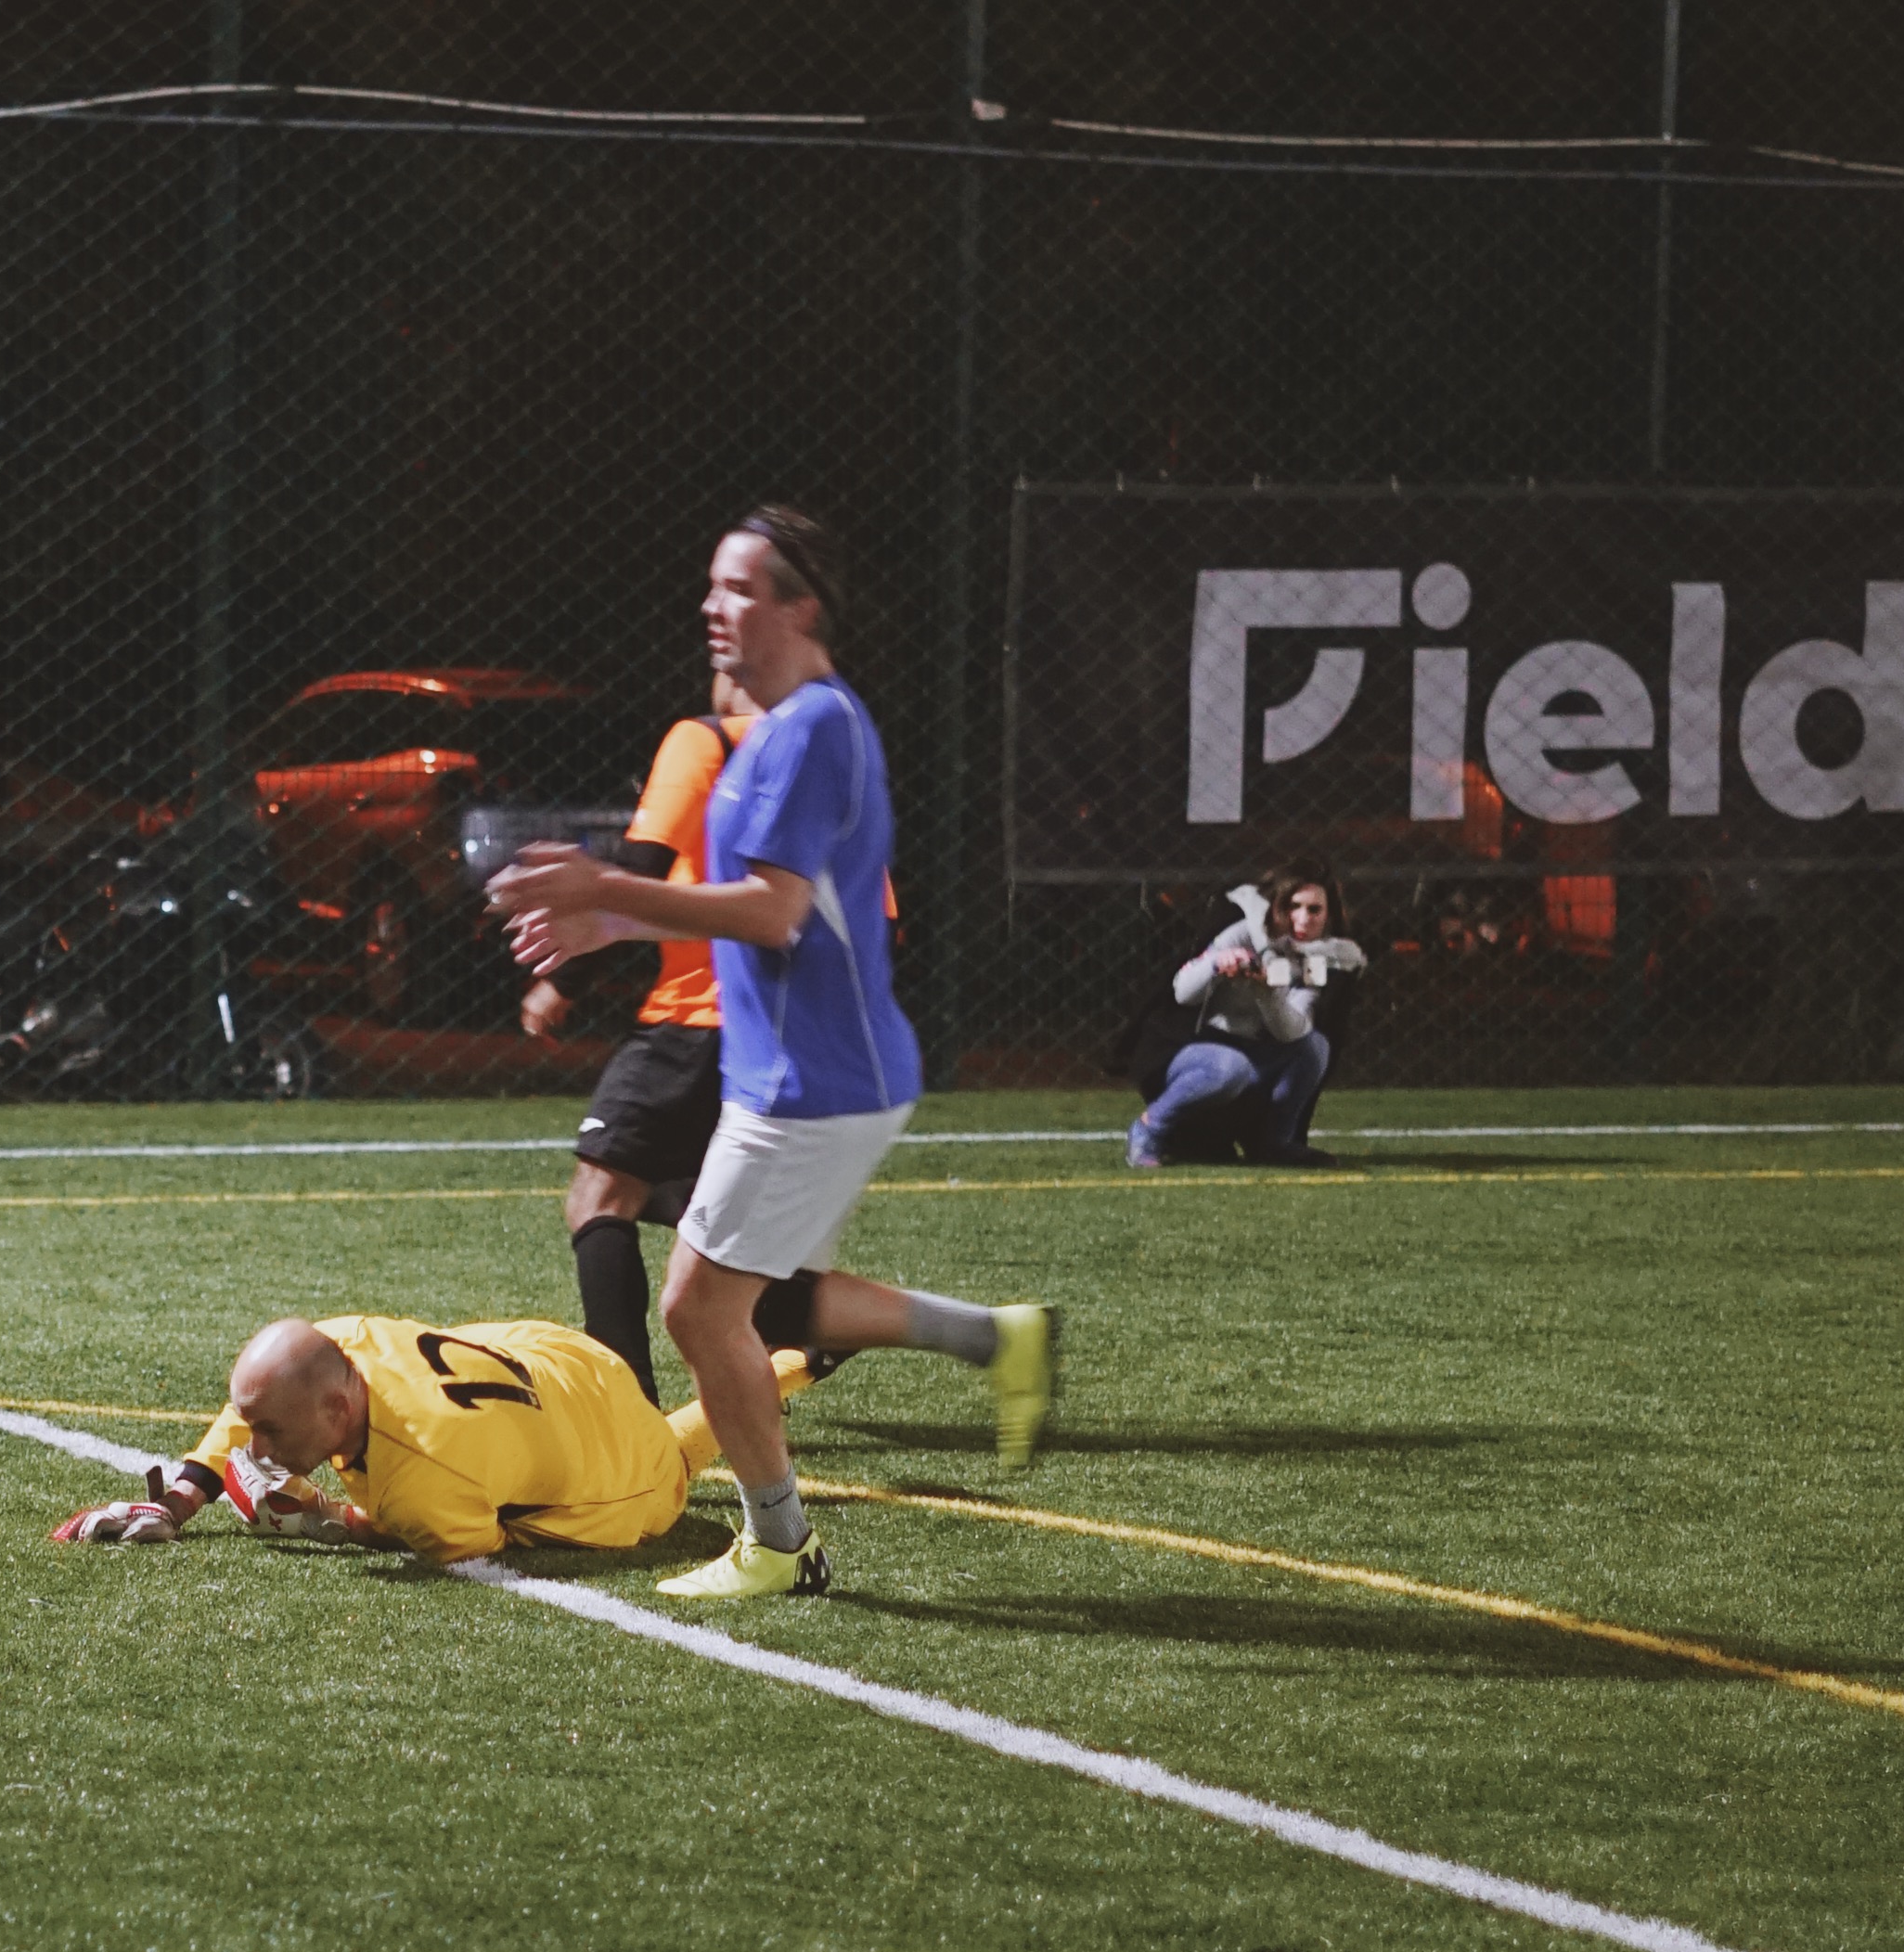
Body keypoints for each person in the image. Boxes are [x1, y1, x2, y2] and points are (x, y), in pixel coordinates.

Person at [490, 506, 1057, 1600]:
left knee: (700, 1308)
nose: (713, 605)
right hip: (790, 1075)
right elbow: (736, 901)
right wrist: (615, 923)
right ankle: (990, 1343)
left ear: (802, 606)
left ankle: (779, 1542)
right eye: (712, 584)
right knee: (759, 1304)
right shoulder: (772, 731)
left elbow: (772, 911)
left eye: (740, 587)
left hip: (814, 1083)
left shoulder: (810, 731)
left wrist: (604, 886)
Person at [50, 1313, 821, 1565]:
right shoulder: (342, 1341)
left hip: (631, 1476)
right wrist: (182, 1498)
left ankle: (802, 1355)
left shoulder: (419, 1476)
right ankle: (807, 1351)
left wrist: (326, 1517)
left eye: (274, 1431)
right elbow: (254, 1399)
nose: (255, 1442)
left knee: (675, 1448)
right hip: (569, 1358)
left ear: (335, 1407)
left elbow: (461, 1536)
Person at [518, 674, 761, 1406]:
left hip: (694, 1021)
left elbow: (641, 866)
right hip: (782, 1027)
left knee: (599, 1195)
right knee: (699, 1207)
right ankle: (857, 1322)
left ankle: (626, 1408)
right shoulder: (825, 753)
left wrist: (565, 978)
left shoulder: (703, 740)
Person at [1125, 859, 1366, 1170]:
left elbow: (1292, 1031)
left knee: (1314, 1047)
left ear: (1329, 915)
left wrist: (1267, 992)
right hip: (1197, 1050)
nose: (1302, 919)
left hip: (1256, 1053)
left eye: (1314, 910)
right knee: (1230, 1067)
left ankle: (1275, 1143)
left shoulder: (1321, 958)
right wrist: (1216, 964)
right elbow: (1182, 992)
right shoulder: (1242, 934)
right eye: (1293, 906)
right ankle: (1150, 1128)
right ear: (1276, 906)